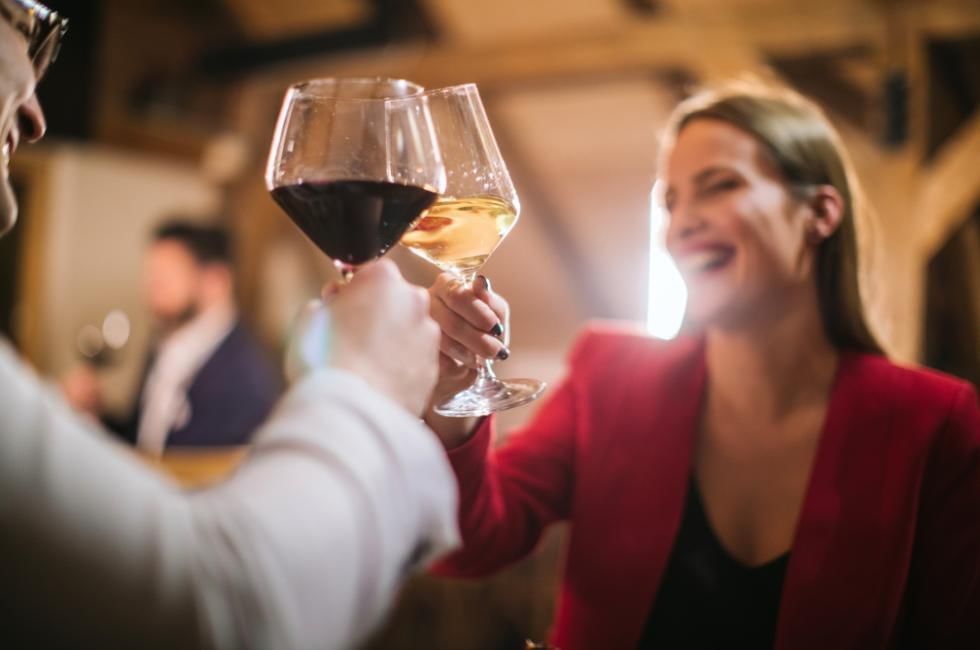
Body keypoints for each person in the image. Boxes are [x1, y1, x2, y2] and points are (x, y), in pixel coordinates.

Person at [426, 80, 980, 649]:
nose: (682, 223)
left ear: (819, 213)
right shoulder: (610, 374)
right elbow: (467, 543)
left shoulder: (936, 421)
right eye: (671, 201)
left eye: (720, 187)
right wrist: (456, 396)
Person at [0, 3, 458, 648]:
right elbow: (224, 613)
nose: (38, 113)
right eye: (26, 20)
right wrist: (367, 387)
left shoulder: (238, 374)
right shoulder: (165, 357)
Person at [65, 220, 281, 453]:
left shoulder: (244, 374)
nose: (150, 288)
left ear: (216, 281)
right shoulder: (163, 343)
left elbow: (204, 471)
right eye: (151, 275)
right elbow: (145, 441)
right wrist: (97, 413)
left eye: (166, 275)